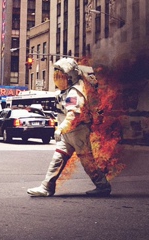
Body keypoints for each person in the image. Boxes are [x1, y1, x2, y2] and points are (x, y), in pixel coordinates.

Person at [27, 58, 111, 197]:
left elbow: (73, 114)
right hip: (69, 133)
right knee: (58, 159)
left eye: (61, 76)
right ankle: (46, 187)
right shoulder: (66, 91)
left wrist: (61, 129)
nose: (58, 79)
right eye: (56, 76)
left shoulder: (74, 92)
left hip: (78, 132)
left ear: (70, 77)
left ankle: (103, 186)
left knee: (87, 162)